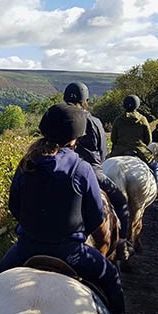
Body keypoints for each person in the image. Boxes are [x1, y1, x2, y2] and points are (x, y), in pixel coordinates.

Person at [0, 102, 140, 314]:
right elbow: (97, 218)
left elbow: (14, 207)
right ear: (75, 137)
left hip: (26, 248)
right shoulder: (81, 168)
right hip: (72, 253)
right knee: (111, 280)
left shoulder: (26, 163)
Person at [63, 82, 133, 261]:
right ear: (85, 100)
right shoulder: (94, 122)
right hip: (93, 172)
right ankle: (121, 243)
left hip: (62, 169)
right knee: (121, 201)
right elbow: (102, 152)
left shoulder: (60, 117)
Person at [109, 94, 158, 200]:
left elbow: (113, 139)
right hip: (139, 151)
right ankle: (156, 190)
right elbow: (148, 140)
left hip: (119, 151)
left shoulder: (118, 120)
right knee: (155, 166)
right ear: (137, 105)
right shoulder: (142, 119)